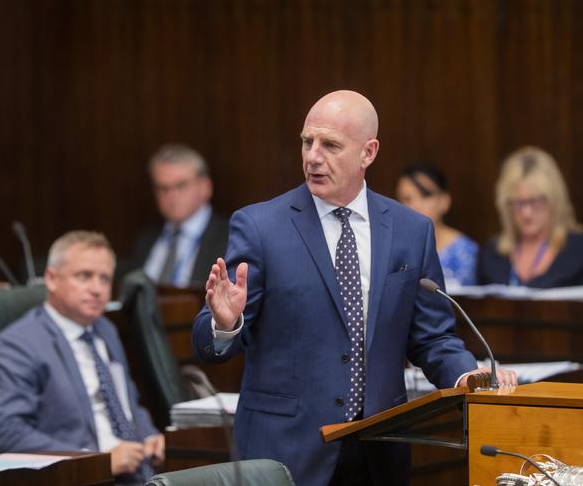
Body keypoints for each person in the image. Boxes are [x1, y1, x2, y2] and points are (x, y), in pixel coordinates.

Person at [192, 90, 515, 486]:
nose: (312, 156)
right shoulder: (260, 227)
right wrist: (225, 324)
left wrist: (467, 375)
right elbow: (209, 346)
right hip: (285, 453)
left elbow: (432, 338)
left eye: (330, 145)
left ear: (368, 152)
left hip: (378, 451)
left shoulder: (410, 231)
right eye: (307, 142)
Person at [0, 231, 164, 485]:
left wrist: (148, 435)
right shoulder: (17, 344)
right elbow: (5, 433)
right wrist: (95, 461)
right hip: (83, 478)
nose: (97, 289)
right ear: (51, 279)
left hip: (141, 474)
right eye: (84, 276)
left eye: (105, 279)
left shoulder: (106, 330)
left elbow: (128, 404)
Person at [478, 146, 583, 287]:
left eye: (535, 201)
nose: (526, 213)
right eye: (518, 203)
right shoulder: (492, 254)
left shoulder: (578, 249)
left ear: (554, 201)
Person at [131, 144, 229, 288]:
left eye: (181, 185)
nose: (172, 196)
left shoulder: (229, 237)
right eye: (163, 188)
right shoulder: (147, 238)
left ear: (205, 187)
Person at [396, 163, 479, 286]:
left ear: (444, 201)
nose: (415, 205)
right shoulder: (393, 249)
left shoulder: (466, 252)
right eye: (407, 199)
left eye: (425, 196)